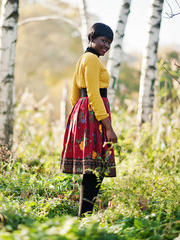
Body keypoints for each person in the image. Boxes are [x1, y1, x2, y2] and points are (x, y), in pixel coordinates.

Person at [60, 22, 117, 217]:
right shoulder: (92, 60)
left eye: (109, 42)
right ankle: (85, 217)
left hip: (85, 113)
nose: (106, 46)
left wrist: (78, 114)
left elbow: (75, 95)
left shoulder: (83, 59)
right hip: (93, 114)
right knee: (94, 169)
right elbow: (93, 93)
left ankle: (85, 216)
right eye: (103, 40)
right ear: (92, 39)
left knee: (91, 169)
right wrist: (107, 126)